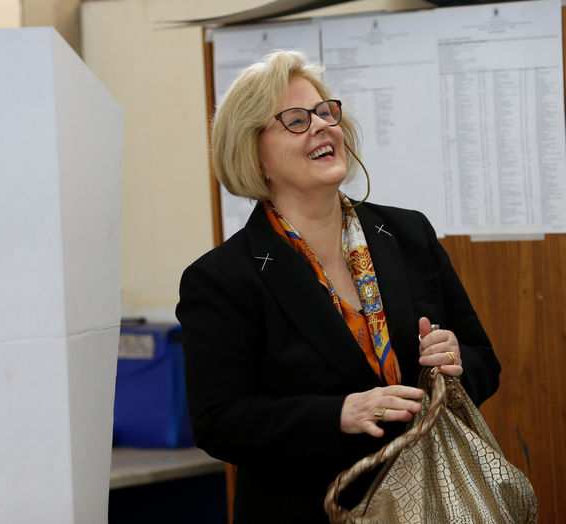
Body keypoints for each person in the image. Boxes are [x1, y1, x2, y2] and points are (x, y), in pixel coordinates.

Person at [175, 50, 501, 522]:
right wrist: (338, 415)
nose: (322, 126)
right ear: (254, 154)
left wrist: (454, 362)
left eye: (326, 112)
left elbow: (482, 360)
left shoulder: (409, 235)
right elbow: (219, 422)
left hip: (432, 504)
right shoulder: (222, 279)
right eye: (295, 119)